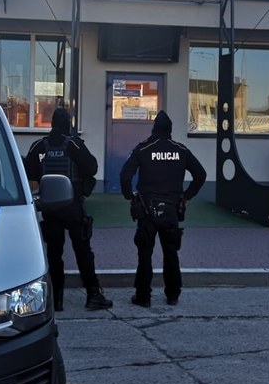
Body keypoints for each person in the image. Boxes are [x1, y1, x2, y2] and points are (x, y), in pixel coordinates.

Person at [24, 108, 112, 312]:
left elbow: (30, 170)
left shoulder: (40, 146)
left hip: (50, 207)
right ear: (68, 124)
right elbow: (91, 168)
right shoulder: (73, 144)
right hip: (72, 207)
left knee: (54, 254)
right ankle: (93, 294)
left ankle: (57, 299)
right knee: (83, 251)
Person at [119, 111, 206, 308]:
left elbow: (125, 175)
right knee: (171, 254)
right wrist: (187, 196)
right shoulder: (180, 150)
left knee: (145, 255)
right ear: (170, 130)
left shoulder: (143, 149)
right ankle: (173, 295)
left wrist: (129, 196)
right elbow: (200, 175)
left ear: (154, 128)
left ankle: (143, 297)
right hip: (171, 210)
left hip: (147, 210)